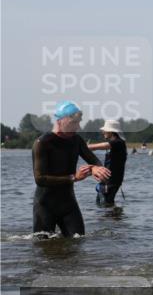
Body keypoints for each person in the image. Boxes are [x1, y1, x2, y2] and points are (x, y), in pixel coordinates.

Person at [32, 101, 112, 237]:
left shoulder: (76, 140)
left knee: (79, 241)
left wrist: (94, 169)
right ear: (61, 120)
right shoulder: (42, 143)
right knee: (43, 249)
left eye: (79, 122)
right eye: (74, 123)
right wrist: (74, 177)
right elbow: (40, 179)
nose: (78, 127)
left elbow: (95, 161)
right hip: (45, 205)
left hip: (68, 204)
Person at [89, 119, 128, 206]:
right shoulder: (116, 144)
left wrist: (82, 147)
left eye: (105, 130)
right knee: (105, 207)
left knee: (105, 206)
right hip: (108, 182)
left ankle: (113, 218)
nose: (103, 132)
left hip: (111, 183)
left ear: (111, 131)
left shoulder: (118, 142)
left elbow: (99, 146)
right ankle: (114, 217)